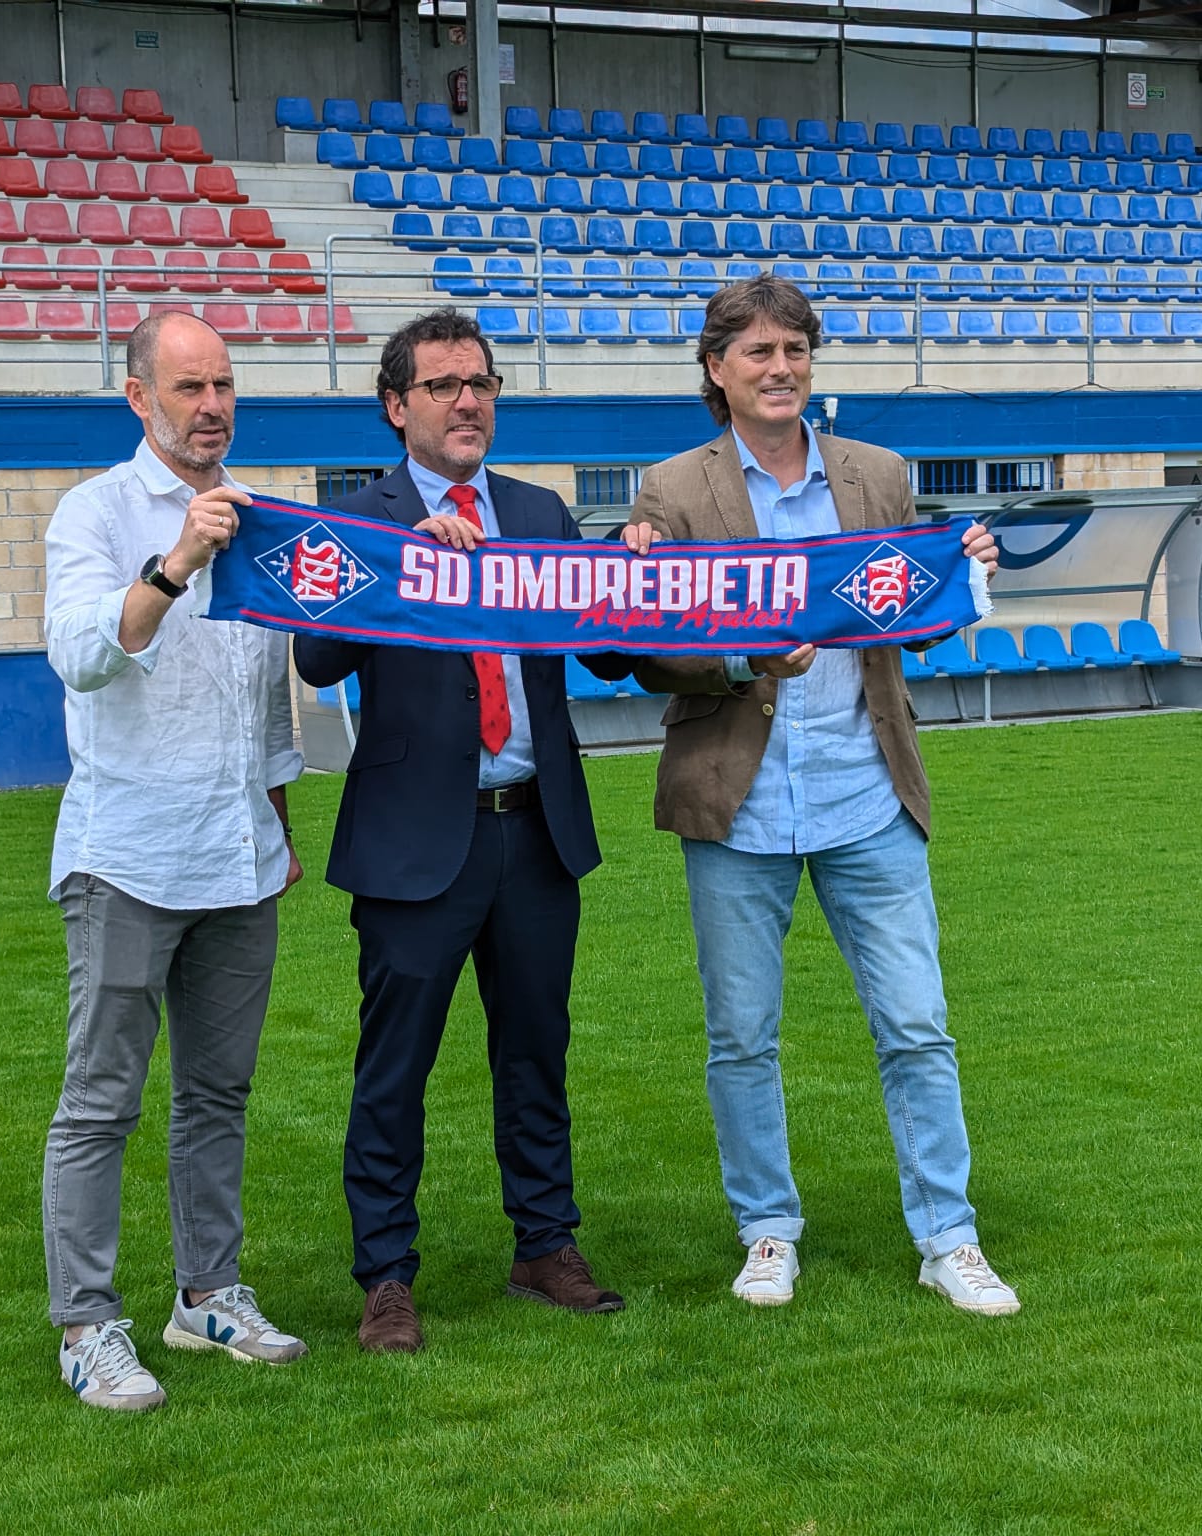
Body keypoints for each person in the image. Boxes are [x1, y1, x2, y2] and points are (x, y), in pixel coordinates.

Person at [621, 276, 1018, 1316]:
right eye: (756, 352)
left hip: (866, 797)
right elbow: (646, 657)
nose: (780, 368)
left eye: (794, 349)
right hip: (735, 803)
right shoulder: (669, 491)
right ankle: (766, 1230)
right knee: (742, 1035)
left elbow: (910, 615)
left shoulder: (878, 477)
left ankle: (949, 1236)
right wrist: (740, 655)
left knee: (917, 1025)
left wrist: (961, 572)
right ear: (716, 369)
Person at [295, 308, 638, 1354]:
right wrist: (406, 564)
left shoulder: (541, 514)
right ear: (397, 407)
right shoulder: (360, 520)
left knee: (537, 1051)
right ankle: (387, 1276)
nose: (468, 402)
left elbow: (611, 658)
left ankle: (546, 1244)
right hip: (413, 846)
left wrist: (626, 574)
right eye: (443, 386)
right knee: (394, 1069)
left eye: (480, 383)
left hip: (534, 833)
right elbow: (316, 662)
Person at [39, 311, 308, 1412]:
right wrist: (176, 560)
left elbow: (267, 697)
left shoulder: (264, 513)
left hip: (239, 854)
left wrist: (281, 822)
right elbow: (84, 656)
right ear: (138, 395)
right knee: (101, 1101)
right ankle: (86, 1326)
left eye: (226, 385)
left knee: (219, 1093)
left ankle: (207, 1295)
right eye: (190, 386)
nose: (212, 406)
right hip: (128, 857)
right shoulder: (95, 513)